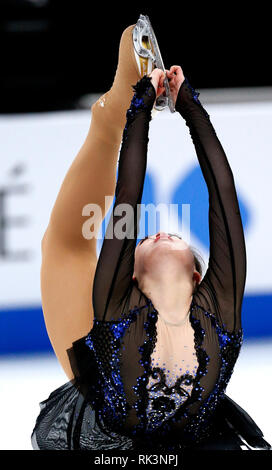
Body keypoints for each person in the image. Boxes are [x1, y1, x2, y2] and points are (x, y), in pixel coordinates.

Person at [31, 18, 271, 451]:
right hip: (139, 435)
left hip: (104, 439)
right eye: (144, 241)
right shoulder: (218, 312)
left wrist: (141, 110)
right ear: (134, 279)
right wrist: (180, 107)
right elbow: (218, 200)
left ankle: (109, 118)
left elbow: (130, 202)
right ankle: (110, 115)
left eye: (142, 240)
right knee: (63, 245)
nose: (156, 234)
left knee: (66, 243)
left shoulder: (115, 310)